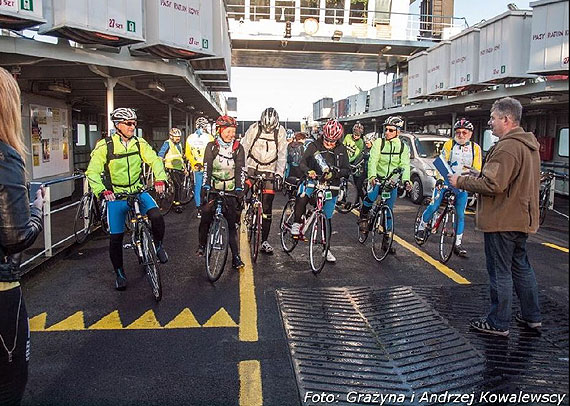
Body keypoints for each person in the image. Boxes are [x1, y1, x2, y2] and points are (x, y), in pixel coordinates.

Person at [450, 97, 542, 337]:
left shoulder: (507, 146)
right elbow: (510, 179)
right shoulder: (527, 145)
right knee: (521, 267)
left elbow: (494, 185)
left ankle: (498, 322)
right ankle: (532, 316)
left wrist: (460, 180)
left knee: (500, 271)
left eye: (492, 118)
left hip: (503, 219)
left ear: (506, 119)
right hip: (521, 217)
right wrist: (480, 172)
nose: (489, 123)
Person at [86, 107, 169, 291]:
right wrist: (102, 191)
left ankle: (157, 245)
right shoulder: (105, 146)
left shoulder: (139, 143)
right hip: (116, 196)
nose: (133, 126)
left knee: (156, 216)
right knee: (115, 238)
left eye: (134, 123)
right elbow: (92, 171)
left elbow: (155, 160)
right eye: (129, 123)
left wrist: (160, 178)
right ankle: (120, 274)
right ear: (118, 125)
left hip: (138, 191)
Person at [0, 66, 44, 405]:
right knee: (9, 384)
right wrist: (37, 208)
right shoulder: (5, 156)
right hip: (3, 291)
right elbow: (16, 236)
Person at [417, 118, 482, 257]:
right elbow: (441, 163)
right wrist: (440, 180)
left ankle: (457, 244)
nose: (461, 135)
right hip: (446, 182)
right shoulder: (449, 144)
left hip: (462, 185)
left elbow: (477, 169)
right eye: (458, 132)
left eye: (465, 132)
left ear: (470, 134)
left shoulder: (475, 148)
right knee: (434, 206)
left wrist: (472, 184)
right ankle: (422, 226)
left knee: (460, 215)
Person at [290, 119, 351, 263]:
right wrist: (308, 171)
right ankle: (296, 223)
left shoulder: (341, 149)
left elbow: (347, 170)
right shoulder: (313, 146)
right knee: (302, 196)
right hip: (313, 181)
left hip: (331, 186)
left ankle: (326, 248)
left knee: (327, 218)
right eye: (327, 140)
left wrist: (335, 174)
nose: (329, 144)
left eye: (333, 141)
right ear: (323, 135)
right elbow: (302, 163)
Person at [197, 115, 245, 269]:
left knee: (231, 225)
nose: (231, 135)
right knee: (205, 218)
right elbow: (207, 168)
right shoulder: (211, 146)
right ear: (220, 130)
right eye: (228, 131)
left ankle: (236, 257)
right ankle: (202, 245)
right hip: (214, 188)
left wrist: (239, 188)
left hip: (230, 189)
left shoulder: (238, 147)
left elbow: (240, 170)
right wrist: (205, 186)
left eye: (233, 131)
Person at [358, 116, 412, 254]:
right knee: (371, 197)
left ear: (398, 132)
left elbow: (405, 165)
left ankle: (386, 240)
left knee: (389, 209)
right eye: (386, 129)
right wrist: (372, 176)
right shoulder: (379, 143)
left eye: (391, 130)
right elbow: (373, 161)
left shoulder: (403, 147)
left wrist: (406, 180)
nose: (387, 132)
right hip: (378, 178)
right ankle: (363, 216)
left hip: (391, 181)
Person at [241, 107, 287, 255]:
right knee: (242, 191)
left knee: (267, 207)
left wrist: (279, 174)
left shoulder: (280, 132)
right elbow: (244, 148)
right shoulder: (254, 128)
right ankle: (240, 213)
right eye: (265, 127)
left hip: (270, 169)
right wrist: (242, 169)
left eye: (270, 128)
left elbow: (282, 154)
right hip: (252, 165)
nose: (268, 130)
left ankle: (264, 242)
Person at [186, 116, 214, 218]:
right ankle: (209, 207)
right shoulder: (209, 137)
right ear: (206, 126)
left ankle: (199, 209)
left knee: (198, 187)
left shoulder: (190, 138)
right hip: (208, 166)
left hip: (197, 166)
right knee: (208, 186)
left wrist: (194, 163)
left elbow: (187, 153)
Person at [158, 128, 187, 214]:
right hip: (170, 167)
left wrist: (184, 168)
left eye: (179, 137)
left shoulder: (179, 144)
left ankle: (174, 199)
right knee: (177, 185)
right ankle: (176, 204)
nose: (178, 139)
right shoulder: (167, 143)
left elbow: (180, 157)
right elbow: (161, 154)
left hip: (179, 168)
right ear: (171, 137)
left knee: (179, 186)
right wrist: (160, 166)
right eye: (176, 137)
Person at [343, 122, 367, 208]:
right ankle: (343, 198)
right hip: (344, 161)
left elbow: (356, 155)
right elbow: (343, 147)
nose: (356, 137)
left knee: (357, 185)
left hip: (354, 163)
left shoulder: (360, 142)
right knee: (343, 179)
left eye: (358, 135)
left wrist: (348, 162)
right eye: (355, 134)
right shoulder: (348, 137)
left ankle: (360, 201)